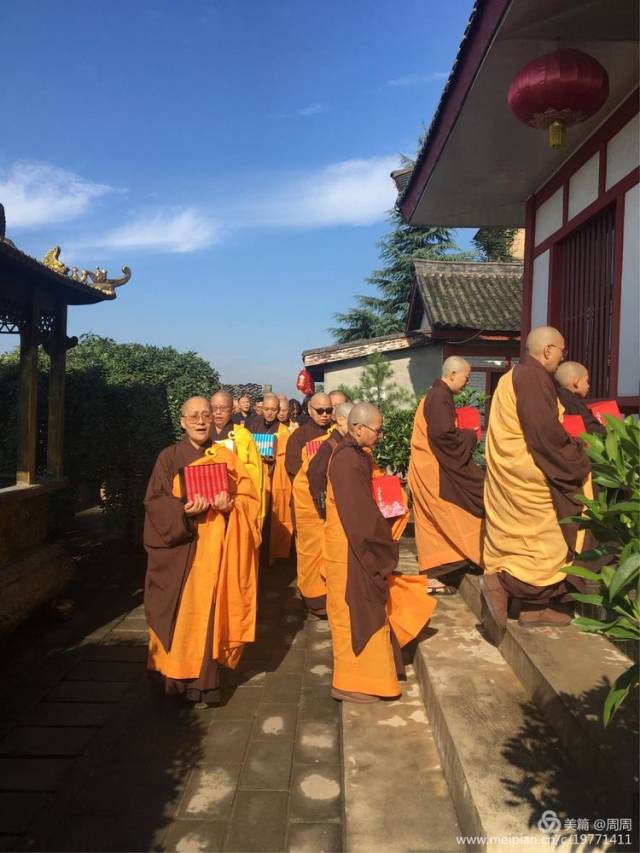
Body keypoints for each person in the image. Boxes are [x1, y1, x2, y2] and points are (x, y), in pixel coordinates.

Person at [143, 396, 261, 707]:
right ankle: (173, 678)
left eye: (205, 415)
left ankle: (203, 685)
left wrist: (230, 505)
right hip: (180, 549)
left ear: (213, 419)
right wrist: (183, 511)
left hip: (213, 552)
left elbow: (249, 498)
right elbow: (155, 501)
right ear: (182, 421)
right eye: (193, 416)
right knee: (177, 612)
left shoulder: (225, 456)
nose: (200, 421)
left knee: (206, 615)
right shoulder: (168, 458)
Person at [482, 326, 592, 635]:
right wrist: (578, 453)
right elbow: (544, 434)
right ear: (547, 350)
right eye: (561, 351)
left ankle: (534, 609)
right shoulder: (532, 378)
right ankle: (501, 581)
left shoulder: (513, 377)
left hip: (511, 473)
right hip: (529, 476)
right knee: (547, 543)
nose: (562, 357)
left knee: (521, 541)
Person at [325, 402, 436, 703]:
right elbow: (359, 517)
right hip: (352, 552)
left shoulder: (358, 455)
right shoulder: (347, 461)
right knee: (358, 616)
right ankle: (350, 683)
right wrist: (383, 546)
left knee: (370, 612)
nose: (381, 435)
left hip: (356, 548)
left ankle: (369, 679)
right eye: (377, 429)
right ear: (358, 428)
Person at [408, 357, 484, 594]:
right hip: (435, 471)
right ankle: (462, 559)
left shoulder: (437, 395)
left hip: (427, 467)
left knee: (435, 522)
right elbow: (443, 436)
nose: (467, 382)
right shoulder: (439, 397)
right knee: (460, 513)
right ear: (452, 374)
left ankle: (438, 572)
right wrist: (469, 436)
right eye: (466, 377)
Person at [285, 392, 334, 615]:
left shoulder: (336, 433)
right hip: (307, 502)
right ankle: (314, 596)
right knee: (309, 552)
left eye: (328, 411)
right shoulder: (299, 436)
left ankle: (331, 592)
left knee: (330, 549)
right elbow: (294, 469)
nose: (324, 415)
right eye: (320, 411)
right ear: (310, 410)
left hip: (332, 502)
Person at [308, 401, 353, 519]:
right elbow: (316, 478)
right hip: (333, 511)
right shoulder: (329, 446)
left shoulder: (348, 444)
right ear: (341, 420)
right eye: (353, 422)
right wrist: (324, 510)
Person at [555, 362, 605, 436]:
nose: (588, 386)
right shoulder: (573, 402)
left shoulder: (555, 397)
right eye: (586, 381)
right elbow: (592, 428)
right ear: (576, 381)